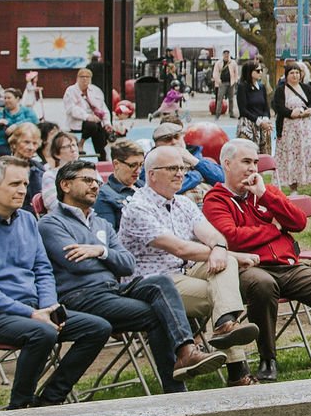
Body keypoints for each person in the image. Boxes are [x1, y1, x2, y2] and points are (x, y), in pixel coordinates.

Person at [40, 160, 225, 390]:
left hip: (112, 290)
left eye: (97, 181)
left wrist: (101, 251)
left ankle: (185, 354)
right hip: (80, 295)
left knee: (160, 282)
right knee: (156, 313)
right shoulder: (50, 223)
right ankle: (176, 384)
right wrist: (108, 257)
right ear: (65, 185)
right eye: (87, 180)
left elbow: (128, 264)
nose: (95, 186)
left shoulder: (101, 223)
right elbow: (77, 264)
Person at [0, 157, 112, 409]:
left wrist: (48, 306)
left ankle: (49, 399)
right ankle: (20, 406)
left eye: (25, 183)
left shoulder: (26, 219)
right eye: (14, 183)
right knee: (43, 332)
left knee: (98, 328)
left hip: (36, 310)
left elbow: (43, 269)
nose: (23, 190)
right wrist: (32, 313)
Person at [204, 139, 311, 378]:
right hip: (248, 267)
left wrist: (266, 196)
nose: (252, 168)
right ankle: (268, 359)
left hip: (287, 266)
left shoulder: (266, 192)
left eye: (256, 163)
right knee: (263, 284)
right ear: (227, 164)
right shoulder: (216, 199)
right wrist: (275, 229)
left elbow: (298, 222)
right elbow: (232, 238)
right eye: (246, 162)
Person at [119, 144, 266, 384]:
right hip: (154, 285)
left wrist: (220, 248)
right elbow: (179, 248)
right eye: (173, 168)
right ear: (152, 174)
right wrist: (226, 253)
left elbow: (214, 236)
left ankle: (224, 326)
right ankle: (237, 369)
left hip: (185, 272)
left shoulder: (183, 203)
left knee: (224, 263)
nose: (180, 173)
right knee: (223, 291)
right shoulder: (137, 208)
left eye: (182, 167)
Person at [271, 61, 311, 197]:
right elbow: (277, 106)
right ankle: (293, 188)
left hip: (307, 127)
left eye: (297, 72)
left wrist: (310, 110)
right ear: (287, 75)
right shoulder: (281, 90)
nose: (295, 75)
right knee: (292, 156)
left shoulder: (307, 88)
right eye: (292, 73)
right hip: (289, 128)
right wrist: (290, 113)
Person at [0, 76, 42, 157]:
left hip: (24, 142)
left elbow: (36, 123)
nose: (6, 100)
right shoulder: (0, 113)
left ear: (17, 99)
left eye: (9, 98)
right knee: (4, 154)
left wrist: (17, 126)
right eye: (5, 98)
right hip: (1, 142)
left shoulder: (27, 111)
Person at [63, 67, 113, 156]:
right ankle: (81, 143)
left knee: (100, 131)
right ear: (77, 78)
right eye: (82, 77)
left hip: (96, 122)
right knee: (92, 125)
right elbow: (71, 109)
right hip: (78, 122)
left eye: (87, 77)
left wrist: (107, 123)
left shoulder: (96, 90)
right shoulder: (70, 91)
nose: (85, 79)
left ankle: (102, 156)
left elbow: (103, 109)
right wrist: (88, 117)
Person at [97, 139, 145, 228]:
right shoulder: (104, 195)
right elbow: (109, 234)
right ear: (116, 164)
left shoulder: (145, 186)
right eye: (133, 165)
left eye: (141, 165)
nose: (138, 171)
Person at [234, 60, 271, 141]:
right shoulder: (242, 87)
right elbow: (243, 110)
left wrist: (266, 118)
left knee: (264, 152)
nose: (260, 72)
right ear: (249, 72)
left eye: (261, 70)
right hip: (248, 125)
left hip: (263, 125)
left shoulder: (262, 87)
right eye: (258, 71)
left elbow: (266, 107)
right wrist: (259, 122)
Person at [210, 50, 239, 115]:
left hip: (231, 82)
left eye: (227, 54)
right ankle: (218, 113)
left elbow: (236, 72)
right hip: (222, 83)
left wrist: (235, 80)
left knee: (231, 99)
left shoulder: (233, 63)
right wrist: (218, 81)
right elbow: (215, 73)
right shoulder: (218, 63)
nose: (226, 55)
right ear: (223, 55)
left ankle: (231, 113)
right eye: (225, 54)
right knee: (220, 98)